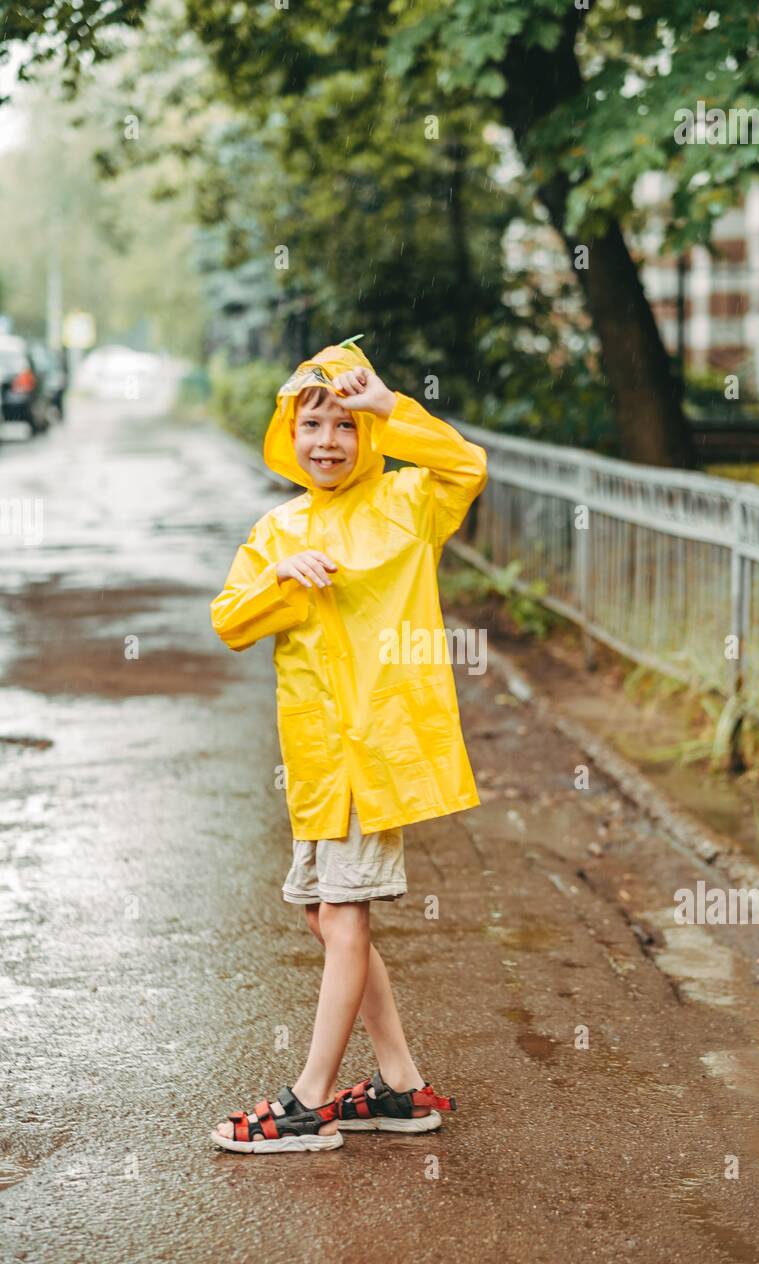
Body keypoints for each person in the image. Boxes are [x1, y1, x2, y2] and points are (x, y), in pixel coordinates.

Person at [209, 336, 487, 1153]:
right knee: (324, 921)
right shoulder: (278, 528)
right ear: (287, 434)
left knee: (343, 913)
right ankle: (401, 1086)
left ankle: (307, 1101)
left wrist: (391, 408)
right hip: (316, 763)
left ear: (365, 433)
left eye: (343, 424)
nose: (327, 440)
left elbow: (465, 465)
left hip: (380, 750)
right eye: (311, 424)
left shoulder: (408, 503)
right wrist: (280, 575)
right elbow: (230, 621)